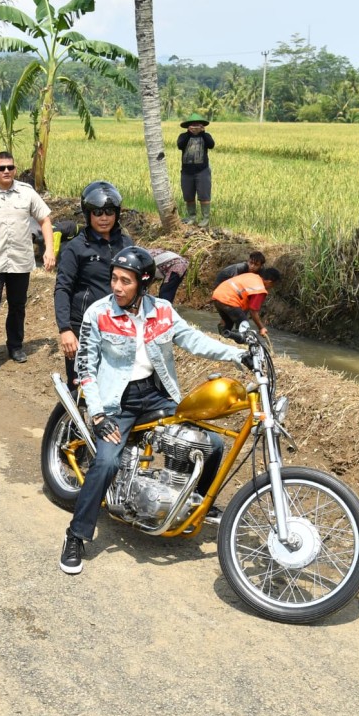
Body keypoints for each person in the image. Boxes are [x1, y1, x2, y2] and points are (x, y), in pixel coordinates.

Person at [59, 246, 247, 575]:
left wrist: (237, 354)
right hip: (115, 401)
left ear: (143, 285)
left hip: (155, 395)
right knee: (105, 462)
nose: (116, 287)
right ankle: (76, 535)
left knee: (212, 444)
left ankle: (195, 505)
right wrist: (99, 415)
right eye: (114, 279)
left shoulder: (162, 310)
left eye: (125, 281)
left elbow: (192, 339)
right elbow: (85, 369)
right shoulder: (98, 313)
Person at [0, 151, 55, 378]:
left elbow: (45, 219)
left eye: (10, 167)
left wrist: (49, 250)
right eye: (2, 168)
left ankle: (15, 346)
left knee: (17, 306)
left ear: (15, 169)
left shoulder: (26, 193)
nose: (7, 171)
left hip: (20, 261)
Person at [54, 181, 133, 388]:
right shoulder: (76, 248)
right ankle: (70, 421)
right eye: (97, 213)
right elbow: (62, 289)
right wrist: (65, 329)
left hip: (119, 325)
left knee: (117, 386)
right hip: (85, 327)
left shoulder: (126, 244)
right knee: (81, 387)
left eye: (109, 212)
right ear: (88, 215)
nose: (104, 218)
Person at [212, 267, 281, 338]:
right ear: (269, 282)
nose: (270, 288)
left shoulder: (252, 276)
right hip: (229, 299)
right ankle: (240, 344)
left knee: (229, 323)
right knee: (244, 325)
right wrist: (261, 328)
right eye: (273, 285)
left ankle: (223, 338)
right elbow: (253, 311)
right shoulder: (259, 289)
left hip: (217, 295)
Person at [177, 112, 215, 228]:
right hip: (187, 171)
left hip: (202, 170)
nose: (195, 127)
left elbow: (211, 145)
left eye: (197, 125)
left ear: (202, 126)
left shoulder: (206, 136)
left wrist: (202, 133)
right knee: (188, 196)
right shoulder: (183, 136)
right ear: (188, 126)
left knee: (204, 195)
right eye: (192, 125)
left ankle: (205, 218)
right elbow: (180, 145)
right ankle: (191, 217)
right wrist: (189, 133)